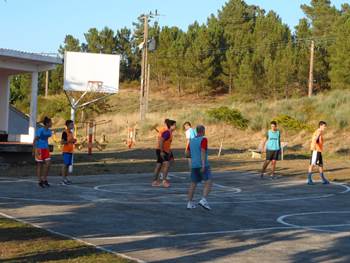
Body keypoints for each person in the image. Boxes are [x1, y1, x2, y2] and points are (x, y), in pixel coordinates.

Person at [186, 125, 212, 210]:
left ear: (197, 131)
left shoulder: (191, 141)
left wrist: (192, 161)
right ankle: (203, 200)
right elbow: (203, 151)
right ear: (203, 131)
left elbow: (187, 154)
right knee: (208, 181)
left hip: (194, 165)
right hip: (202, 164)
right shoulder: (203, 139)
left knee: (193, 184)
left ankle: (189, 203)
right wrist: (203, 165)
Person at [152, 119, 177, 188]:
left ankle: (154, 181)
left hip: (163, 150)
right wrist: (161, 151)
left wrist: (170, 153)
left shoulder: (170, 133)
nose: (175, 126)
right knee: (166, 164)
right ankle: (164, 181)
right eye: (174, 125)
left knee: (159, 165)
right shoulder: (167, 132)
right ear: (171, 126)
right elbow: (161, 141)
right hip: (161, 150)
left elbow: (167, 144)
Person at [307, 121, 330, 185]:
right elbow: (315, 139)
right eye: (324, 126)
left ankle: (323, 179)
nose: (325, 127)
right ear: (320, 126)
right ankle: (309, 179)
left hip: (319, 150)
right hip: (316, 150)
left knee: (320, 164)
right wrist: (314, 147)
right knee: (312, 164)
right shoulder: (319, 132)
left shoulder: (320, 132)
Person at [33, 117, 52, 188]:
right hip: (39, 149)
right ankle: (39, 180)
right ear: (47, 123)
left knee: (48, 163)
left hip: (45, 149)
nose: (51, 123)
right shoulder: (40, 130)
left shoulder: (49, 131)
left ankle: (44, 178)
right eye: (50, 122)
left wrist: (47, 148)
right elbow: (35, 139)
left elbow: (46, 140)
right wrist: (34, 149)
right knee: (39, 165)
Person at [61, 120, 77, 185]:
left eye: (73, 124)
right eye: (71, 124)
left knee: (67, 165)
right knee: (65, 165)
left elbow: (71, 141)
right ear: (67, 125)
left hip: (70, 151)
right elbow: (62, 142)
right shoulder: (65, 132)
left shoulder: (71, 132)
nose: (73, 126)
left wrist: (73, 141)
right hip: (66, 151)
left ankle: (66, 178)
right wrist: (69, 141)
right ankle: (63, 179)